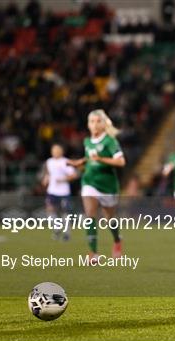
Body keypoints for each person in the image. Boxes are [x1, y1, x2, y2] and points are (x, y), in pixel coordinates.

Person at [68, 109, 126, 261]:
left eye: (97, 121)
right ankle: (93, 253)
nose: (94, 124)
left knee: (109, 219)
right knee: (90, 215)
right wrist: (79, 163)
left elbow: (121, 161)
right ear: (88, 124)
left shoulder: (110, 141)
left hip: (108, 185)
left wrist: (100, 159)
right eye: (91, 121)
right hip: (89, 181)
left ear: (103, 124)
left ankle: (117, 240)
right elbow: (89, 158)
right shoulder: (87, 141)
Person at [42, 143, 78, 241]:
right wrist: (46, 178)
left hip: (64, 192)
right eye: (53, 150)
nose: (55, 152)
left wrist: (63, 179)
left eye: (57, 150)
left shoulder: (66, 162)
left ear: (61, 152)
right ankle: (57, 229)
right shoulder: (49, 161)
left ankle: (67, 234)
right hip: (52, 191)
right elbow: (48, 173)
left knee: (64, 213)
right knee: (50, 211)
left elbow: (74, 175)